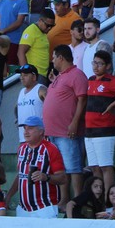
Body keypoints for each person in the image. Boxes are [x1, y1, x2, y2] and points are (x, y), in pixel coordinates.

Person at [42, 44, 88, 204]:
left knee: (73, 167)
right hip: (54, 132)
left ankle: (77, 200)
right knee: (60, 168)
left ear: (61, 58)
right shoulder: (61, 76)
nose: (52, 60)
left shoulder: (77, 75)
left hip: (67, 131)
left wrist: (74, 123)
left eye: (54, 57)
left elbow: (82, 100)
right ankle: (63, 200)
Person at [84, 50, 115, 189]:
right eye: (94, 62)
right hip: (89, 131)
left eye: (100, 64)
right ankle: (99, 200)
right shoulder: (90, 80)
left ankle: (108, 200)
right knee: (94, 167)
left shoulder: (111, 81)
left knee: (105, 166)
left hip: (104, 130)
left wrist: (113, 104)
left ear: (108, 66)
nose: (96, 66)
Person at [8, 115, 66, 218]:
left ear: (41, 131)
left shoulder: (51, 149)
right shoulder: (21, 149)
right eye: (24, 128)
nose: (26, 132)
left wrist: (46, 177)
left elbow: (63, 178)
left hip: (44, 208)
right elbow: (20, 176)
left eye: (30, 128)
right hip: (23, 209)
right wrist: (8, 196)